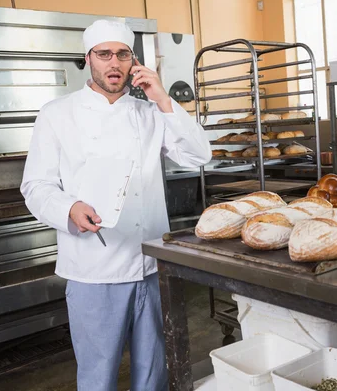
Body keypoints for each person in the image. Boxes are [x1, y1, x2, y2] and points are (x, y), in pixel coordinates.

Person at [20, 20, 211, 390]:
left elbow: (198, 155)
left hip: (152, 265)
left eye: (122, 54)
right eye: (104, 54)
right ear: (88, 58)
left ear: (133, 61)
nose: (114, 63)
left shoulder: (149, 113)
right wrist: (69, 207)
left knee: (154, 372)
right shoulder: (57, 113)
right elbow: (36, 185)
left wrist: (163, 98)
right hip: (94, 269)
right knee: (98, 376)